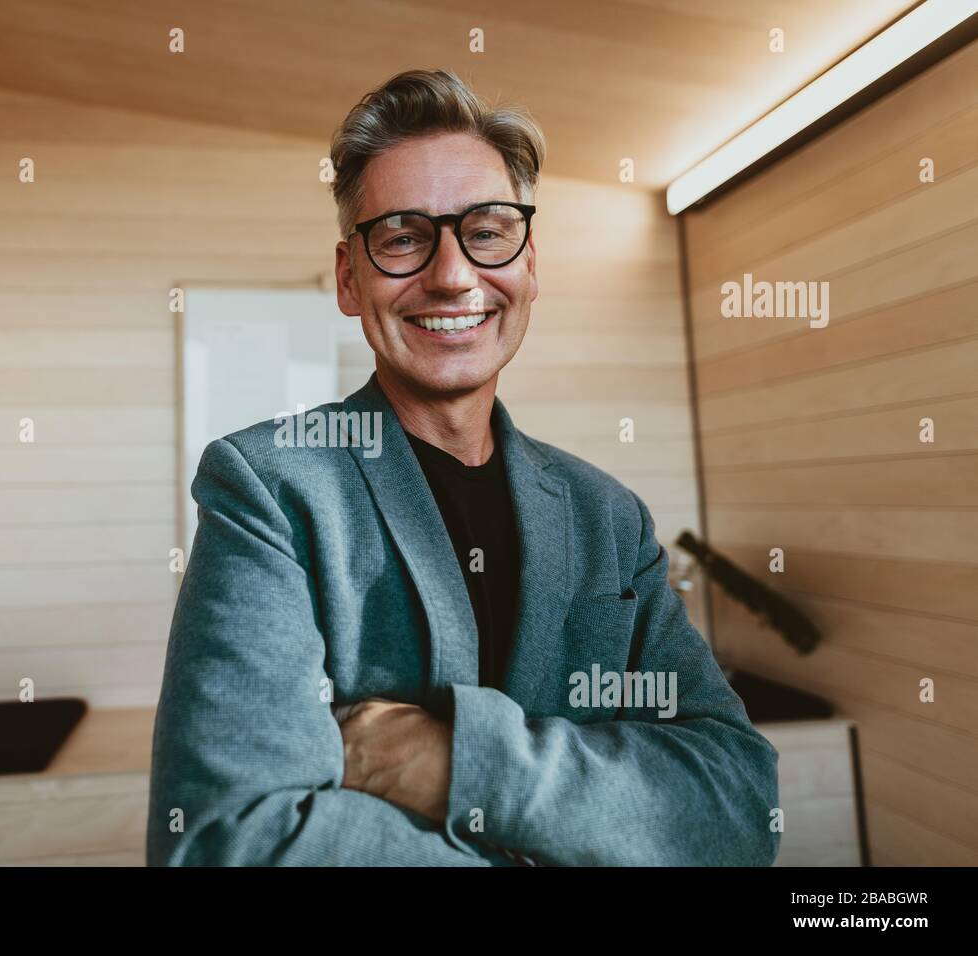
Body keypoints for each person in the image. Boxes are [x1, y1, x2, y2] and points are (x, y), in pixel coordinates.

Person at [147, 68, 780, 866]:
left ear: (529, 265)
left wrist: (450, 762)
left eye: (485, 231)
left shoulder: (609, 518)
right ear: (351, 277)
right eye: (405, 236)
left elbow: (738, 808)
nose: (452, 275)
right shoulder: (270, 487)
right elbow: (225, 844)